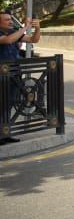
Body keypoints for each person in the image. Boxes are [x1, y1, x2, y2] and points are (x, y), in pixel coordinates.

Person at [0, 10, 42, 144]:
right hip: (2, 75)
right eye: (7, 20)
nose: (11, 22)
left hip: (14, 74)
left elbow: (33, 40)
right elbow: (8, 41)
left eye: (11, 19)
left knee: (9, 103)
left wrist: (37, 28)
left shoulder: (13, 33)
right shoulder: (6, 34)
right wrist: (25, 27)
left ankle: (5, 133)